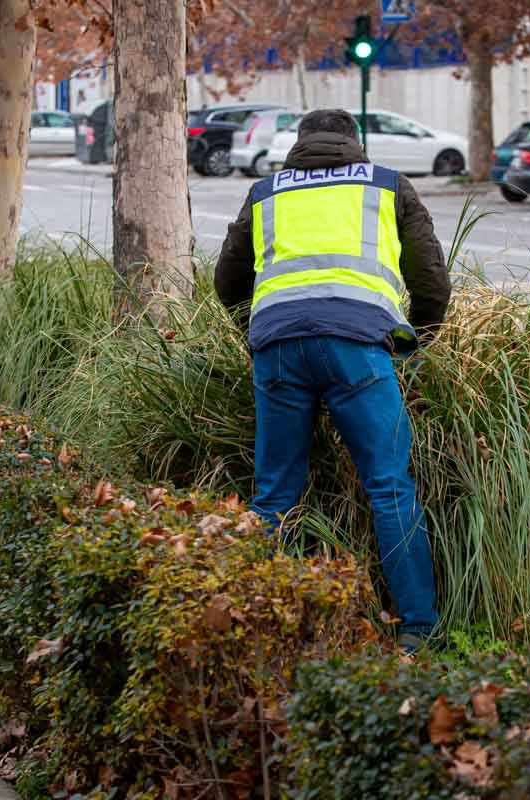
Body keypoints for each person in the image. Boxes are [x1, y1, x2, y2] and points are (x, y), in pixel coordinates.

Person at [214, 108, 451, 651]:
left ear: (299, 145)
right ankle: (417, 629)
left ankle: (258, 626)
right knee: (390, 487)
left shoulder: (266, 192)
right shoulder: (388, 186)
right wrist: (416, 340)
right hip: (359, 348)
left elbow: (227, 283)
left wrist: (257, 333)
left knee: (274, 497)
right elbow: (431, 281)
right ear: (356, 145)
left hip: (277, 346)